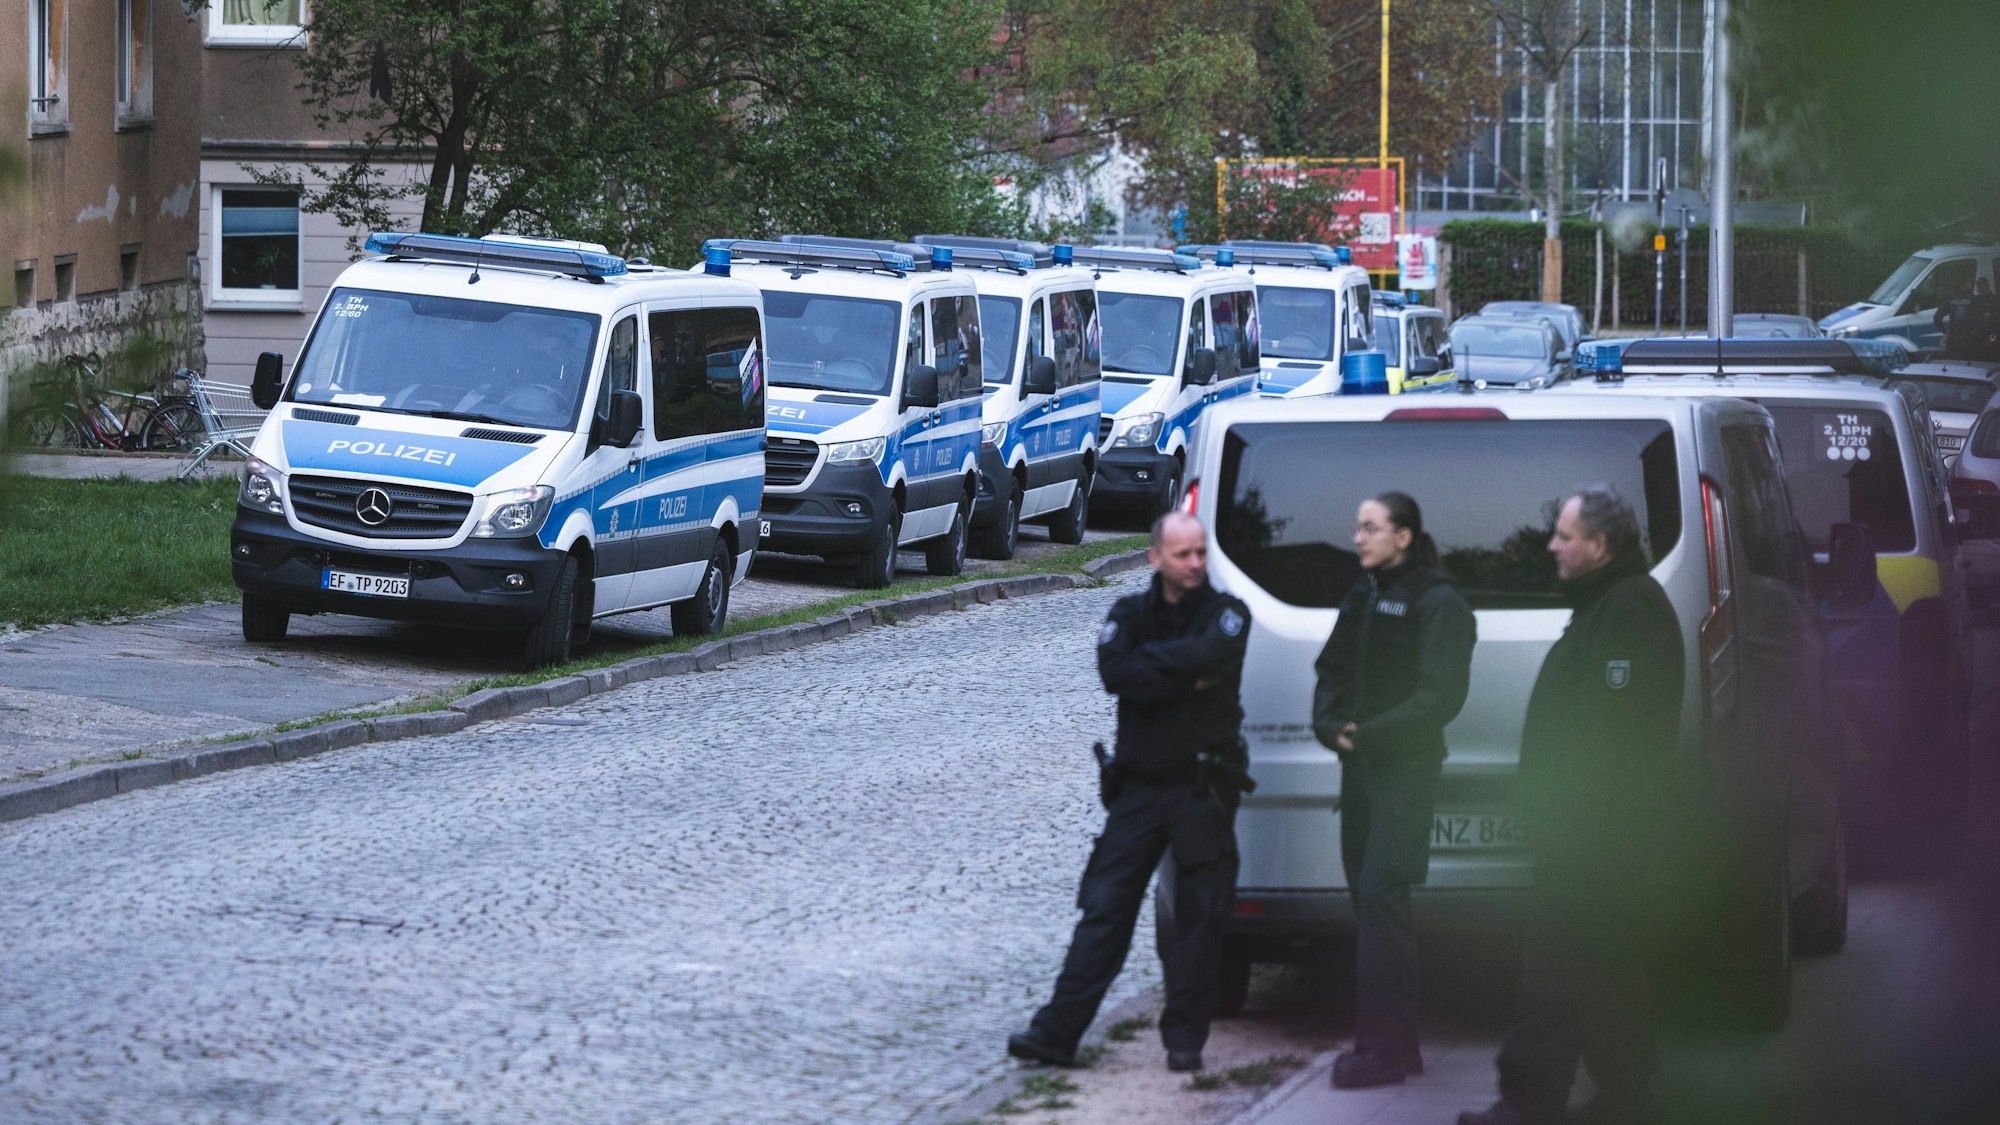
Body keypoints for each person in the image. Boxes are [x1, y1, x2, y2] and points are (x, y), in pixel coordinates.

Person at [1459, 487, 1686, 1125]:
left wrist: (1574, 826)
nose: (1551, 546)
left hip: (1594, 840)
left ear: (1600, 545)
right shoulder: (1606, 606)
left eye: (1564, 535)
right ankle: (1629, 1098)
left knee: (1555, 971)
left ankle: (1528, 1103)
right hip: (1596, 837)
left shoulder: (1628, 610)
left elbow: (1614, 736)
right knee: (1608, 970)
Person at [1009, 511, 1253, 1074]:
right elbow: (1115, 673)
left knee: (1198, 920)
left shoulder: (1227, 615)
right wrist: (1183, 676)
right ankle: (1056, 1035)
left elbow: (1211, 655)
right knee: (1103, 910)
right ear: (1155, 557)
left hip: (1201, 788)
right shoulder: (1129, 613)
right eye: (1183, 554)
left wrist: (1152, 669)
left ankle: (1185, 1042)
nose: (1195, 564)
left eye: (1200, 553)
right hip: (1139, 790)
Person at [1312, 492, 1476, 1089]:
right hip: (1360, 771)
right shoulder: (1364, 592)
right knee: (1371, 903)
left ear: (1403, 536)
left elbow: (1440, 697)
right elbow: (1330, 670)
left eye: (1370, 528)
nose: (1358, 538)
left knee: (1383, 898)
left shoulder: (1440, 602)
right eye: (1357, 527)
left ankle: (1382, 1050)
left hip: (1405, 773)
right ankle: (1397, 1046)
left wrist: (1368, 736)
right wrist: (1329, 726)